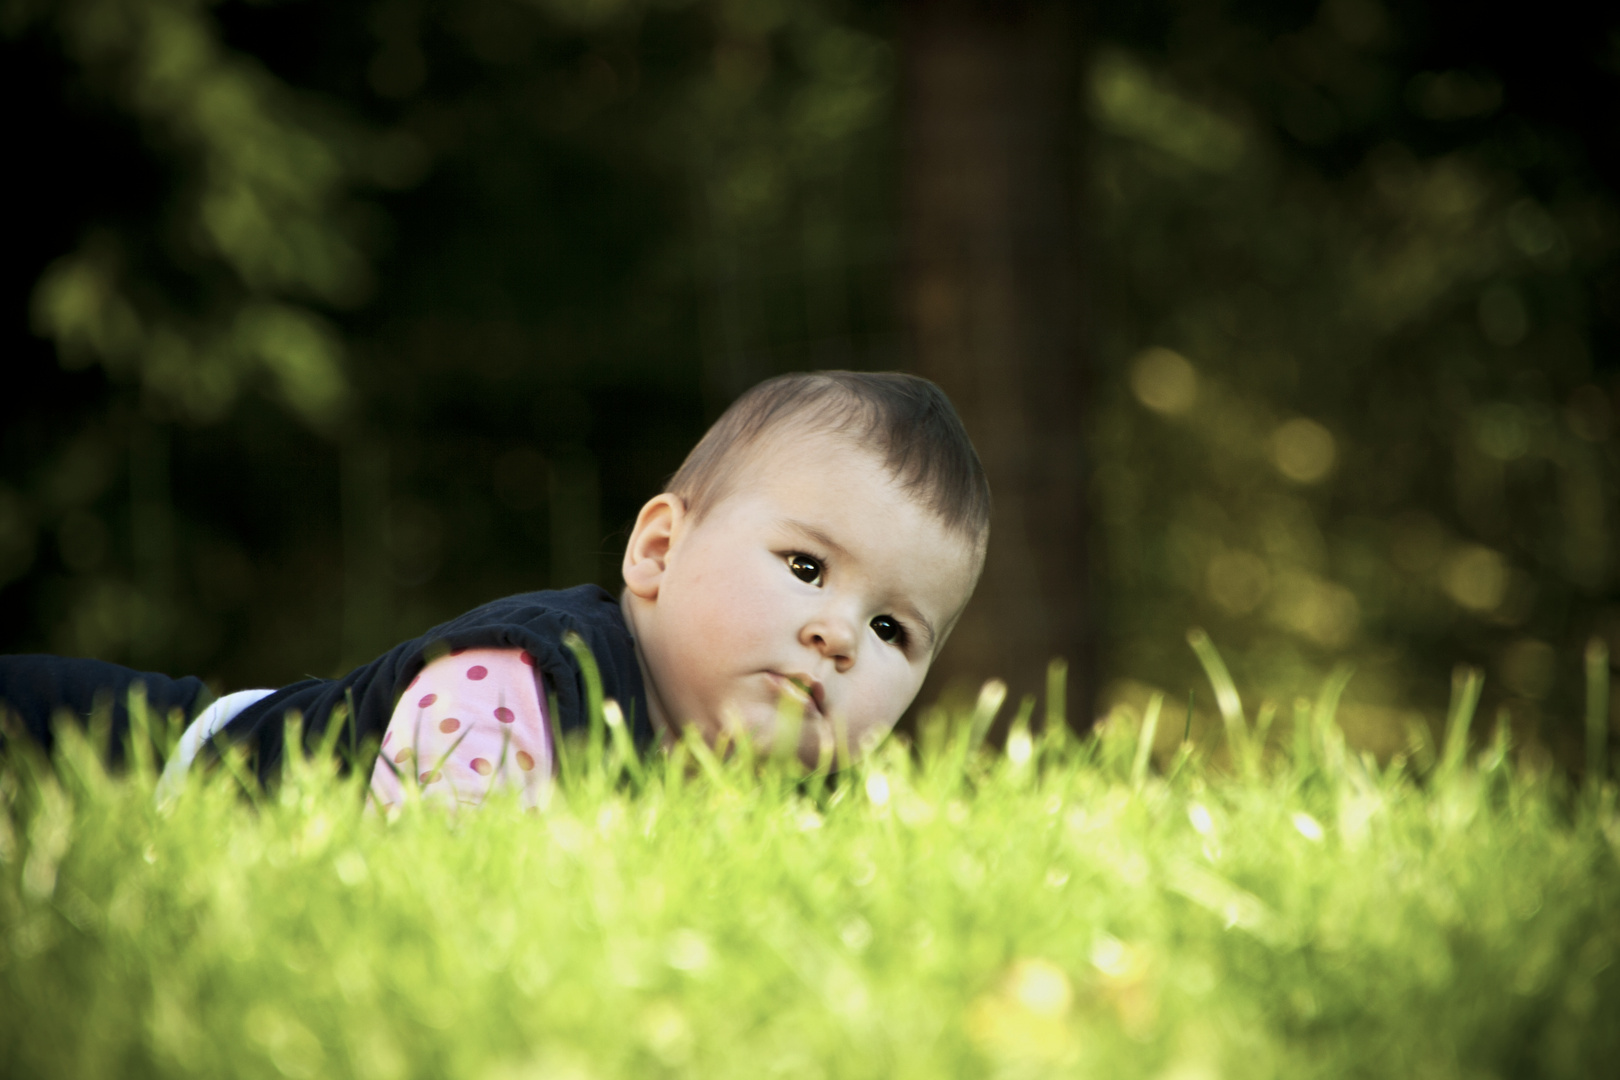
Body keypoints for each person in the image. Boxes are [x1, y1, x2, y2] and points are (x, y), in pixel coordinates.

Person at [0, 371, 990, 807]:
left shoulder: (812, 801)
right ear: (655, 552)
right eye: (807, 568)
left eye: (895, 628)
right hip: (157, 762)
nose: (837, 635)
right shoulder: (518, 687)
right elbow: (426, 911)